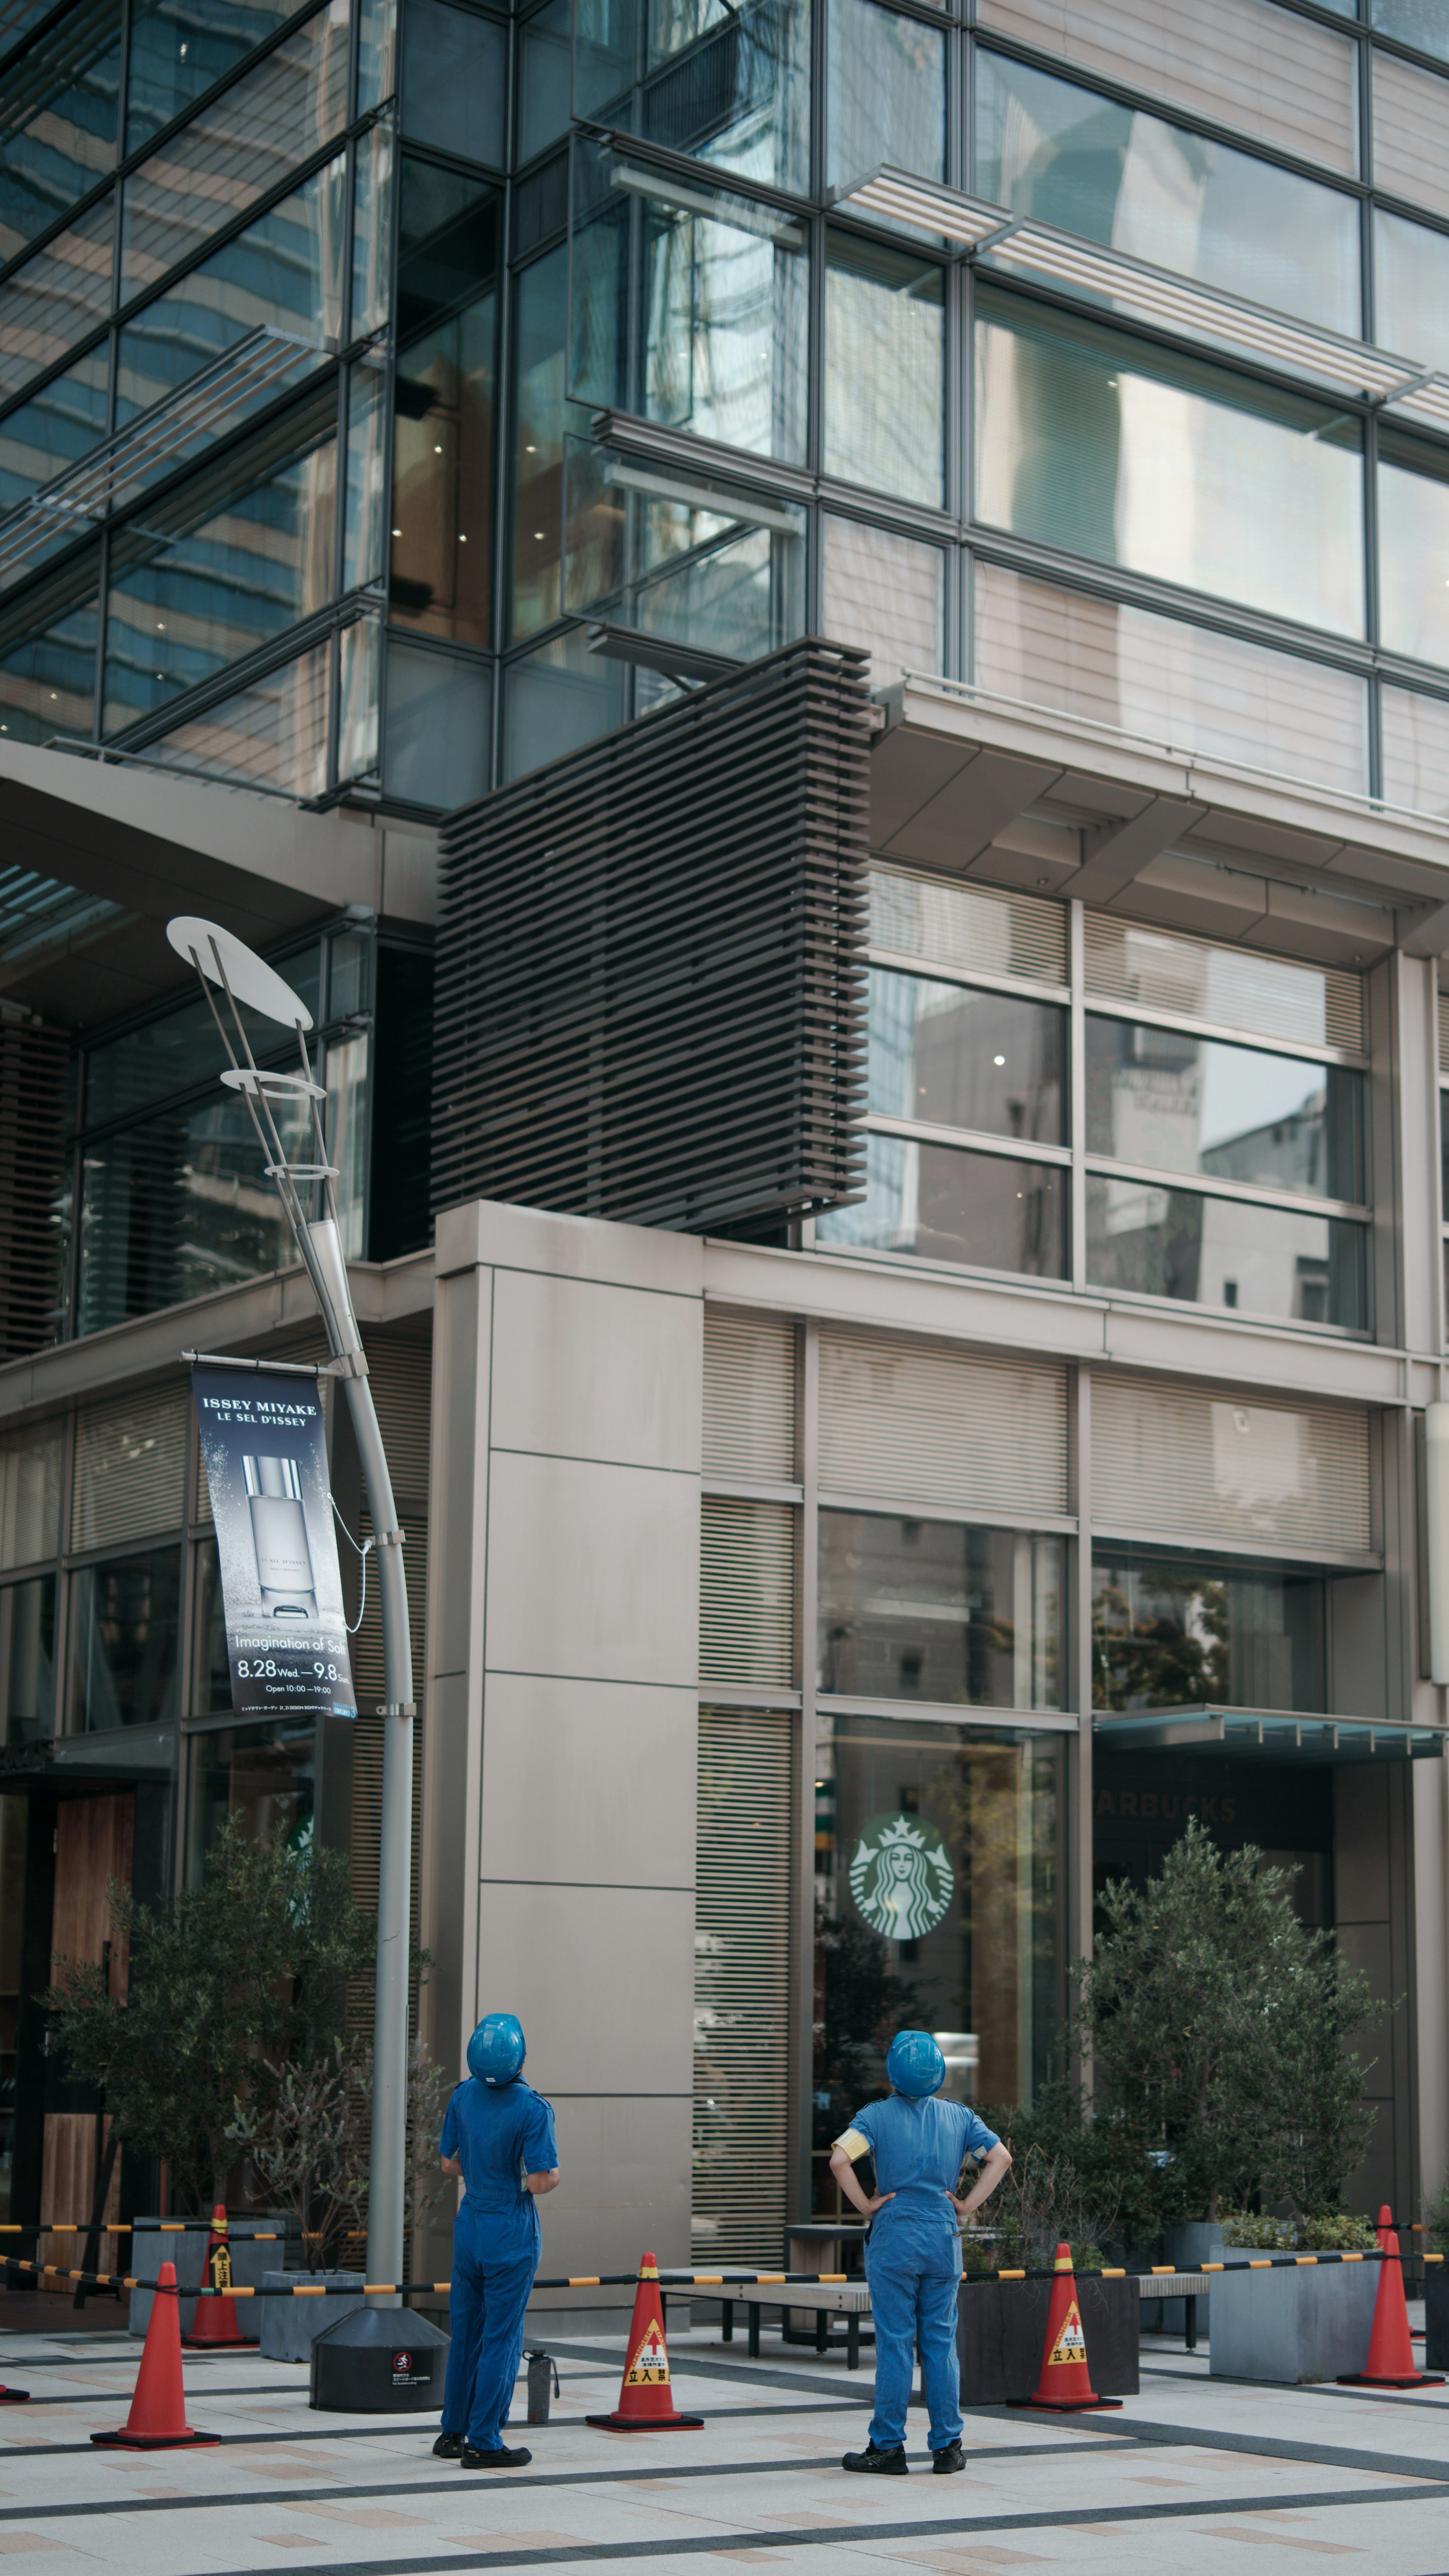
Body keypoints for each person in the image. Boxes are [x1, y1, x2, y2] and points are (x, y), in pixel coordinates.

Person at [828, 2028, 1011, 2477]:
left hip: (894, 2236)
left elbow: (838, 2161)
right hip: (942, 2237)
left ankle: (888, 2447)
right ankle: (948, 2448)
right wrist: (967, 2205)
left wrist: (867, 2205)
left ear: (893, 2069)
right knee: (941, 2344)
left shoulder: (875, 2117)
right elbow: (1001, 2158)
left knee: (894, 2344)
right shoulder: (960, 2117)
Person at [434, 2010, 561, 2468]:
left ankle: (453, 2432)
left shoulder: (464, 2095)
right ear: (521, 2055)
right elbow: (545, 2178)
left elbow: (449, 2164)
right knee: (502, 2337)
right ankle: (484, 2441)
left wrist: (485, 2177)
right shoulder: (532, 2109)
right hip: (509, 2230)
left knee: (466, 2331)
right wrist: (513, 2184)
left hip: (471, 2226)